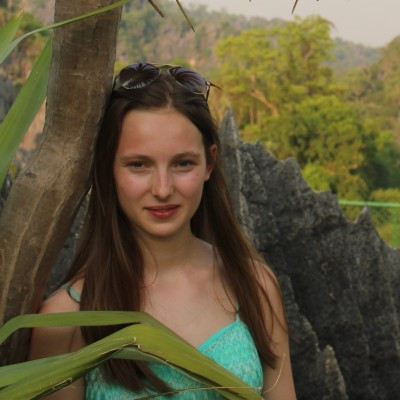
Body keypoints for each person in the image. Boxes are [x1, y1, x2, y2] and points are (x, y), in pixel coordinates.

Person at [29, 63, 297, 399]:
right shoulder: (66, 319)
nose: (162, 189)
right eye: (139, 164)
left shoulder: (254, 286)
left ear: (210, 163)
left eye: (183, 163)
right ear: (108, 167)